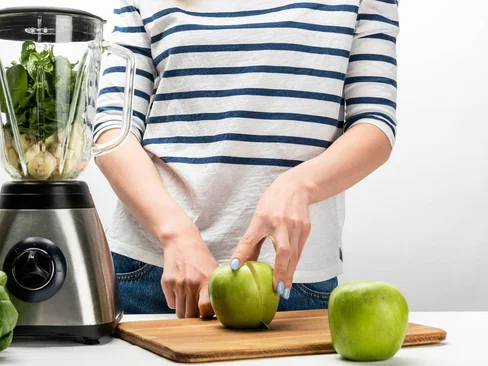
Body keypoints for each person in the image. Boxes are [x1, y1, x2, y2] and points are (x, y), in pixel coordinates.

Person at [94, 0, 399, 318]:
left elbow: (375, 125)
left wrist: (298, 185)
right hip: (157, 268)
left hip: (291, 277)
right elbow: (112, 127)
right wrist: (175, 233)